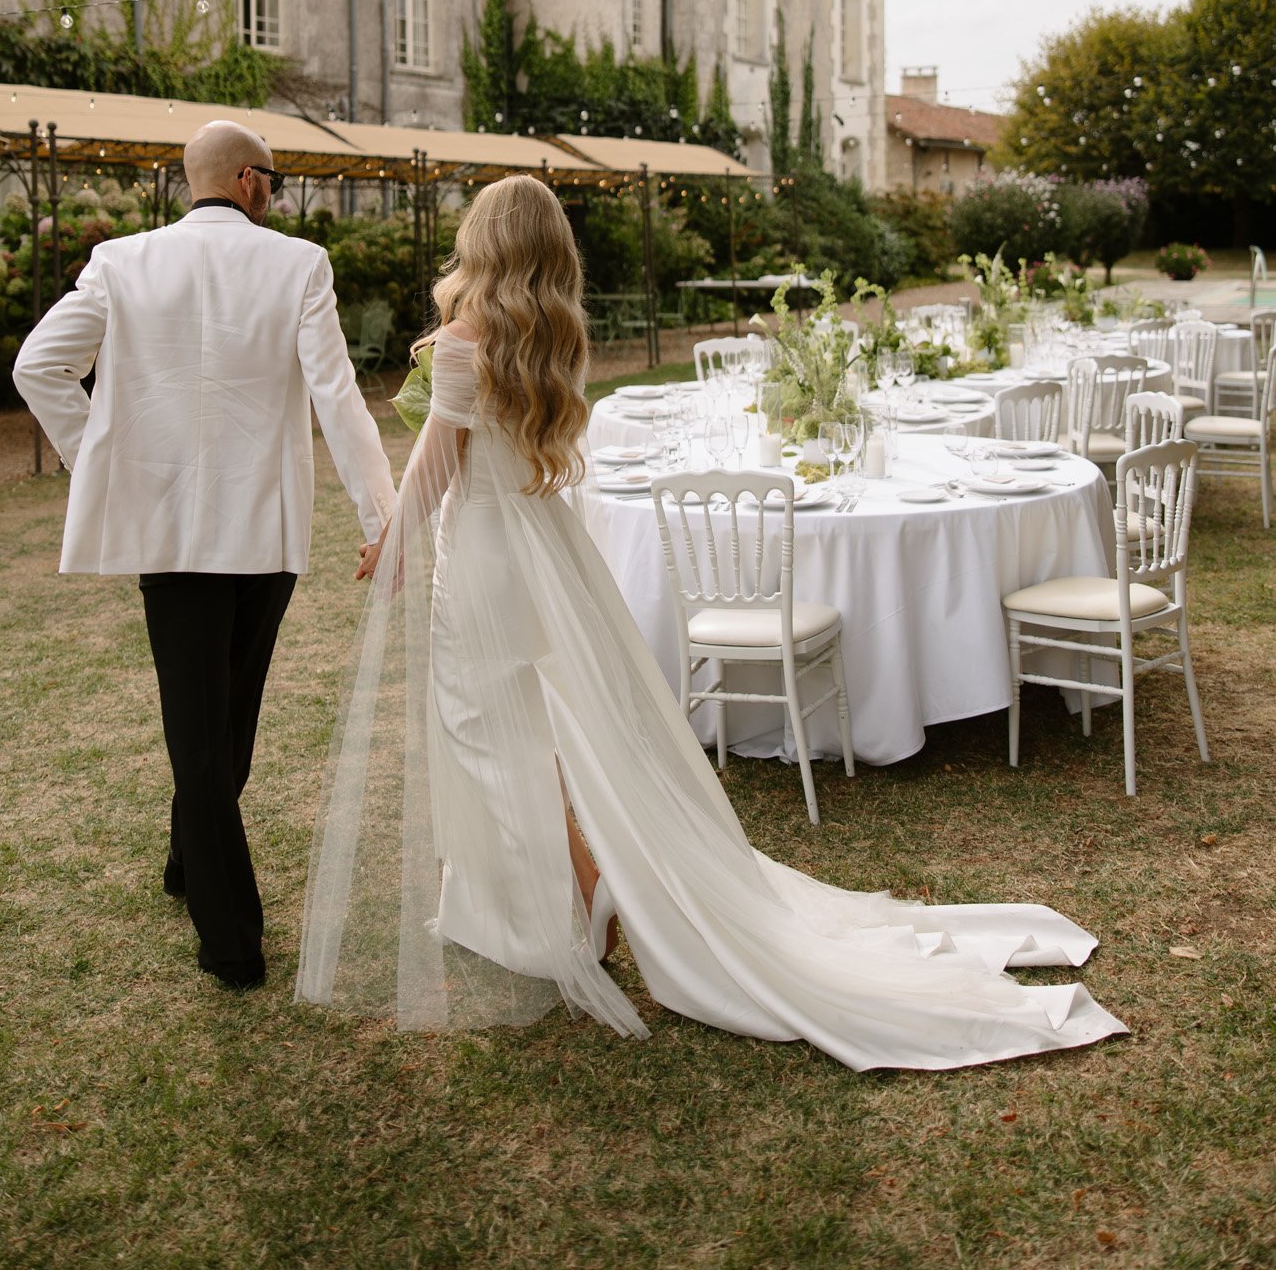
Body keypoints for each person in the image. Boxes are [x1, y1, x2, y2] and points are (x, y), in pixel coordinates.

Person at [297, 177, 1125, 1070]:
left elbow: (433, 471)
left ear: (481, 243)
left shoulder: (462, 344)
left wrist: (390, 547)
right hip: (546, 554)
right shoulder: (552, 341)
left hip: (488, 562)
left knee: (485, 732)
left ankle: (583, 897)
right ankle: (551, 897)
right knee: (545, 731)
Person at [14, 120, 396, 989]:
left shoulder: (123, 262)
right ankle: (230, 940)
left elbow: (40, 368)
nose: (278, 195)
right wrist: (381, 516)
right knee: (220, 725)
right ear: (248, 181)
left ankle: (191, 859)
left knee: (213, 726)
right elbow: (338, 399)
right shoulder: (298, 265)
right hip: (264, 529)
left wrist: (103, 461)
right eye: (275, 179)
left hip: (170, 528)